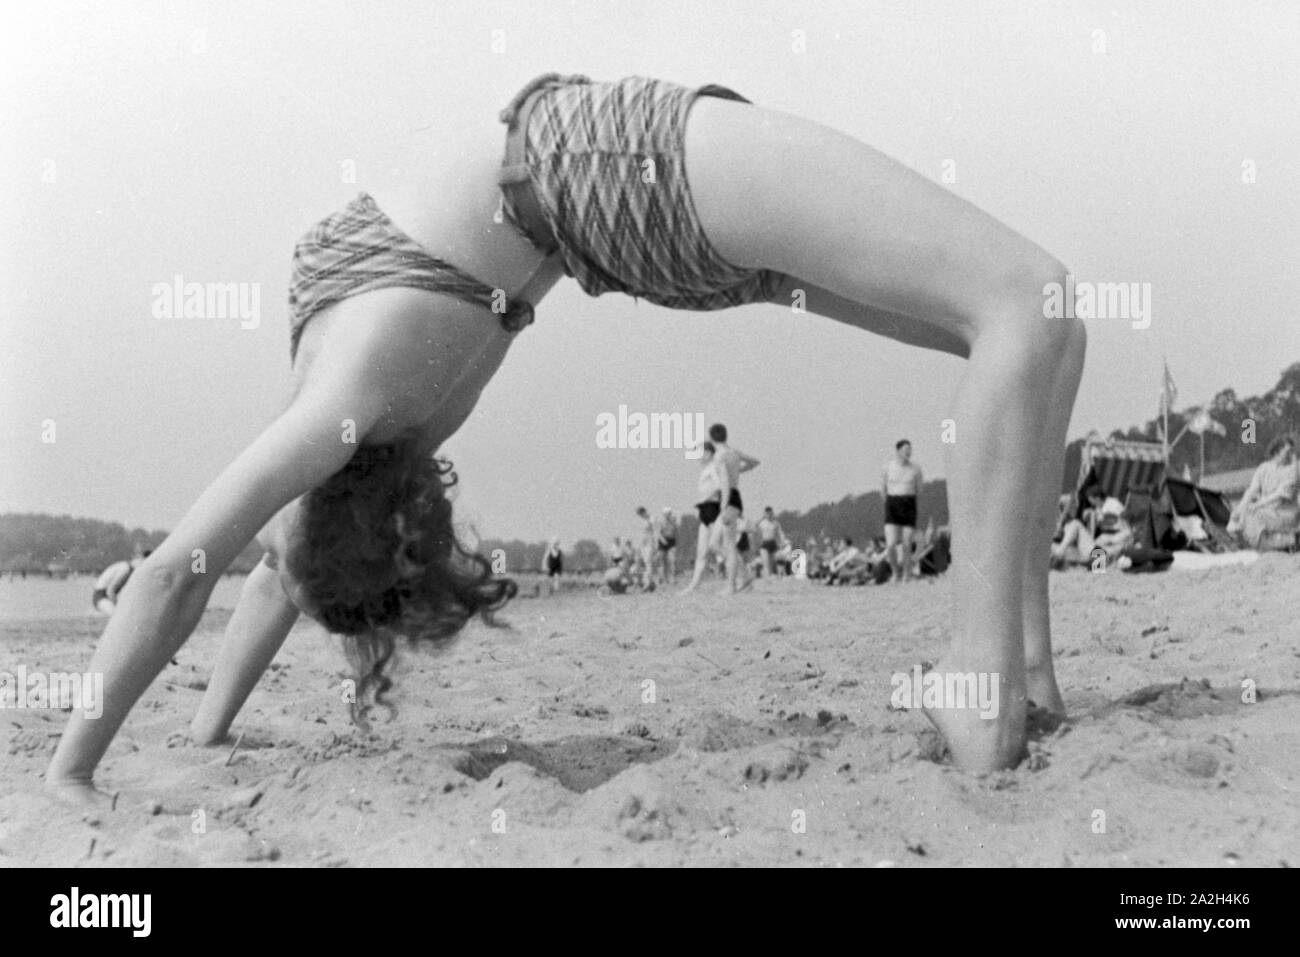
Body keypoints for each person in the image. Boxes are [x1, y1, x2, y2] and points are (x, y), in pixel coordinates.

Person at [47, 69, 1086, 796]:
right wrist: (94, 762)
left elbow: (230, 573)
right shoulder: (342, 397)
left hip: (609, 201)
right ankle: (981, 684)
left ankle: (1024, 673)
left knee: (1043, 319)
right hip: (617, 181)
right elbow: (217, 571)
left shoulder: (344, 418)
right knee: (1020, 301)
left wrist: (154, 747)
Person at [708, 423, 759, 593]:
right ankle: (743, 574)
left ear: (711, 438)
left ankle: (731, 585)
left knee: (729, 545)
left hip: (728, 499)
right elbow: (754, 462)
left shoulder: (719, 456)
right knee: (714, 544)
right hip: (733, 497)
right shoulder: (734, 453)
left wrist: (723, 506)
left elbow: (724, 482)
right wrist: (738, 471)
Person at [1228, 435, 1300, 549]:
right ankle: (1239, 542)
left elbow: (1280, 496)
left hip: (1286, 513)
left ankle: (1286, 542)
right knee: (1241, 514)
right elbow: (1251, 490)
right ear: (1277, 451)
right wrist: (1239, 509)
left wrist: (1257, 505)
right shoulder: (1264, 468)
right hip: (1268, 510)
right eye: (1288, 451)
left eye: (1292, 451)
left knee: (1255, 515)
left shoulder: (1293, 469)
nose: (1291, 455)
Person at [882, 439, 923, 583]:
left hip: (909, 504)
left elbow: (919, 490)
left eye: (910, 449)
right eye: (906, 449)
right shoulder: (888, 467)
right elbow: (883, 489)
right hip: (892, 504)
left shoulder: (916, 469)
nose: (909, 452)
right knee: (891, 544)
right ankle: (895, 572)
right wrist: (890, 503)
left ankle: (907, 573)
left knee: (906, 543)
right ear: (898, 450)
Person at [91, 549, 152, 615]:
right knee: (116, 615)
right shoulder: (125, 569)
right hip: (101, 597)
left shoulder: (129, 568)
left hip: (105, 597)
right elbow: (110, 590)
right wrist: (117, 607)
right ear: (142, 559)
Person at [756, 506, 785, 578]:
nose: (769, 515)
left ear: (772, 513)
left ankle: (773, 575)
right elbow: (754, 528)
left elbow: (780, 533)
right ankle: (767, 576)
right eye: (767, 513)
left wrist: (783, 542)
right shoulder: (761, 523)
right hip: (764, 544)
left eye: (770, 513)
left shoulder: (775, 523)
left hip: (773, 543)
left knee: (773, 561)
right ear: (765, 514)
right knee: (765, 561)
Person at [655, 507, 679, 584]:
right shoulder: (660, 522)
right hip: (663, 541)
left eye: (670, 513)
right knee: (663, 561)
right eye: (668, 513)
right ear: (664, 514)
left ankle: (672, 578)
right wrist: (663, 540)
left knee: (672, 560)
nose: (669, 514)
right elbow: (658, 533)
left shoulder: (673, 521)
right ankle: (664, 578)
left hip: (671, 541)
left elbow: (676, 531)